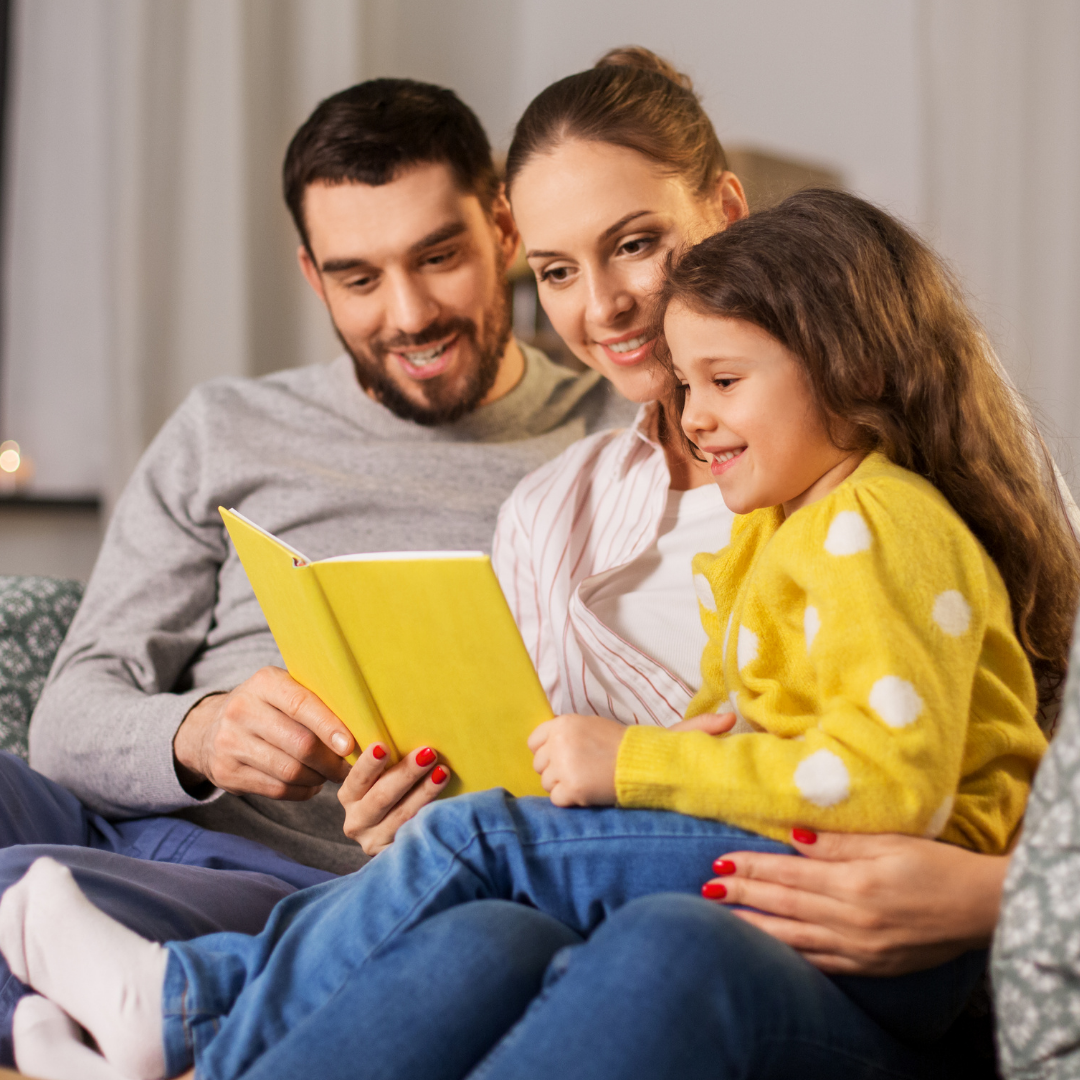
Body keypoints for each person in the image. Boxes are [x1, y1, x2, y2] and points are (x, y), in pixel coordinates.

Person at [8, 185, 1074, 1080]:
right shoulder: (775, 530)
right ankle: (187, 1020)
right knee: (476, 889)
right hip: (779, 862)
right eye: (560, 272)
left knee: (483, 839)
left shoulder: (879, 525)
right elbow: (778, 731)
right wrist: (697, 748)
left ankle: (191, 1003)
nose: (691, 412)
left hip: (883, 907)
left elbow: (889, 783)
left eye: (721, 383)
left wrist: (639, 763)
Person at [0, 77, 632, 1072]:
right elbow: (69, 714)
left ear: (503, 228)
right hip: (142, 813)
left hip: (314, 886)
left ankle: (113, 1006)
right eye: (359, 278)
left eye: (439, 257)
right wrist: (197, 734)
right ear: (311, 275)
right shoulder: (223, 428)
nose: (411, 314)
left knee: (19, 886)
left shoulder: (619, 438)